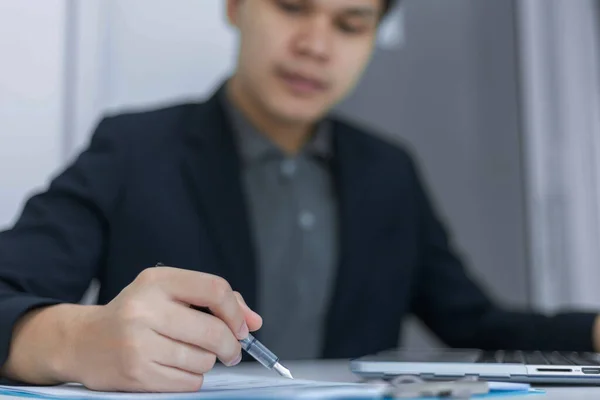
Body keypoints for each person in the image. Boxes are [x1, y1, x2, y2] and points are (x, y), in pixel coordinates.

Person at [0, 0, 598, 393]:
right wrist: (74, 341)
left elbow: (477, 322)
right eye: (292, 6)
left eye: (350, 23)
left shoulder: (389, 172)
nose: (316, 44)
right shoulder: (132, 148)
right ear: (235, 6)